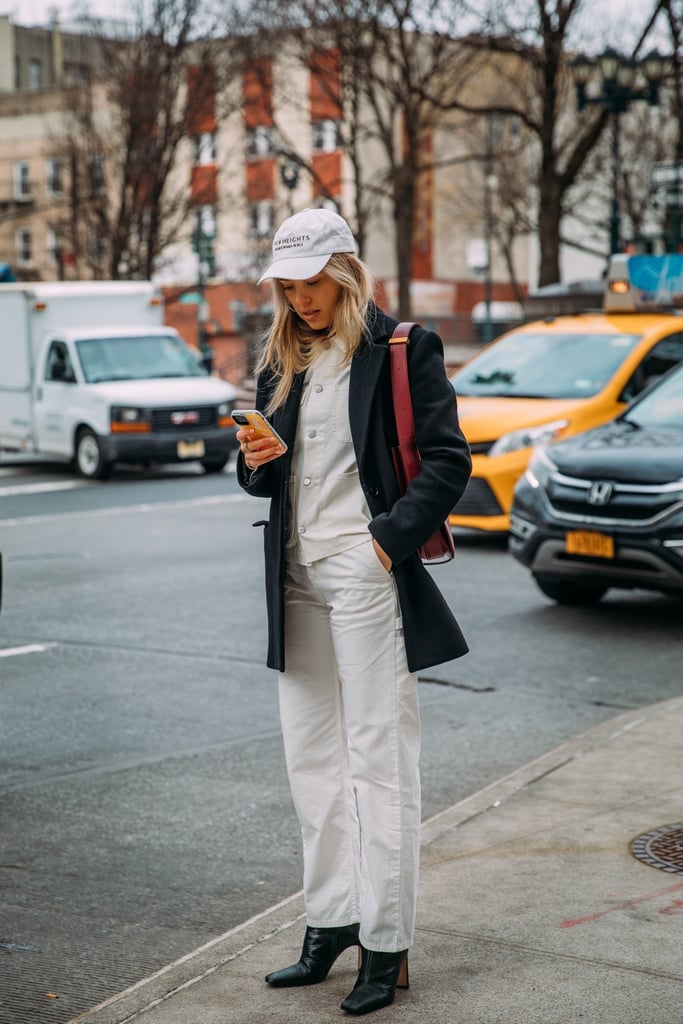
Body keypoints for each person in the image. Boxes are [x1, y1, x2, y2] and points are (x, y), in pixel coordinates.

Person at [236, 207, 471, 1016]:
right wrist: (255, 460)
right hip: (295, 575)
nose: (300, 299)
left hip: (364, 571)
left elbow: (446, 463)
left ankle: (386, 938)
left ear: (341, 272)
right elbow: (266, 480)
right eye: (288, 286)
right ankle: (330, 921)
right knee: (310, 763)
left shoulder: (401, 348)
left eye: (310, 283)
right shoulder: (280, 357)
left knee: (378, 760)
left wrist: (381, 546)